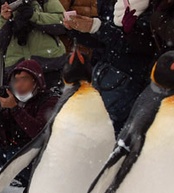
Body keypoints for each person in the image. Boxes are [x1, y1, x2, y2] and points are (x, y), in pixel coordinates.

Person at [65, 0, 156, 136]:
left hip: (127, 83)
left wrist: (96, 27)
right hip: (107, 76)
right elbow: (106, 43)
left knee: (106, 132)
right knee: (93, 128)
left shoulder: (149, 13)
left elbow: (132, 45)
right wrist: (76, 30)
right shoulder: (122, 7)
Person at [0, 59, 59, 193]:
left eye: (24, 79)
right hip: (21, 151)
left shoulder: (49, 101)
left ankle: (34, 184)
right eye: (16, 80)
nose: (18, 85)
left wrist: (14, 108)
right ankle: (24, 178)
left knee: (14, 154)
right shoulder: (16, 100)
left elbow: (39, 133)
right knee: (0, 153)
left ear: (36, 80)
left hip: (45, 156)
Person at [0, 0, 68, 88]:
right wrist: (4, 19)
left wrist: (34, 16)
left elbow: (64, 22)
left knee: (53, 100)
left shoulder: (43, 1)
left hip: (49, 65)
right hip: (18, 72)